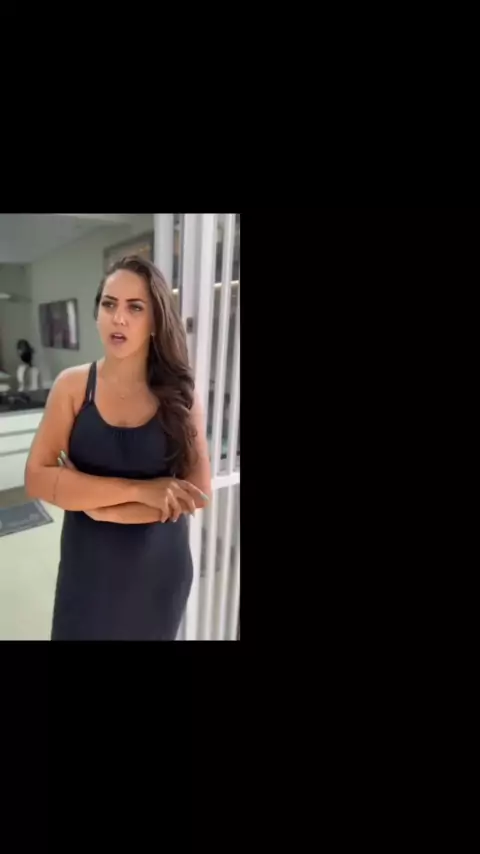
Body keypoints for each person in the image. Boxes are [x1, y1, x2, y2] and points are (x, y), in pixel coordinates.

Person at [25, 256, 211, 641]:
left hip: (158, 576)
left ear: (156, 320)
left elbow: (198, 493)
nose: (118, 318)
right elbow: (37, 478)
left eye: (135, 307)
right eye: (109, 304)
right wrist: (141, 491)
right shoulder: (73, 387)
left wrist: (97, 506)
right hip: (87, 573)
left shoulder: (181, 397)